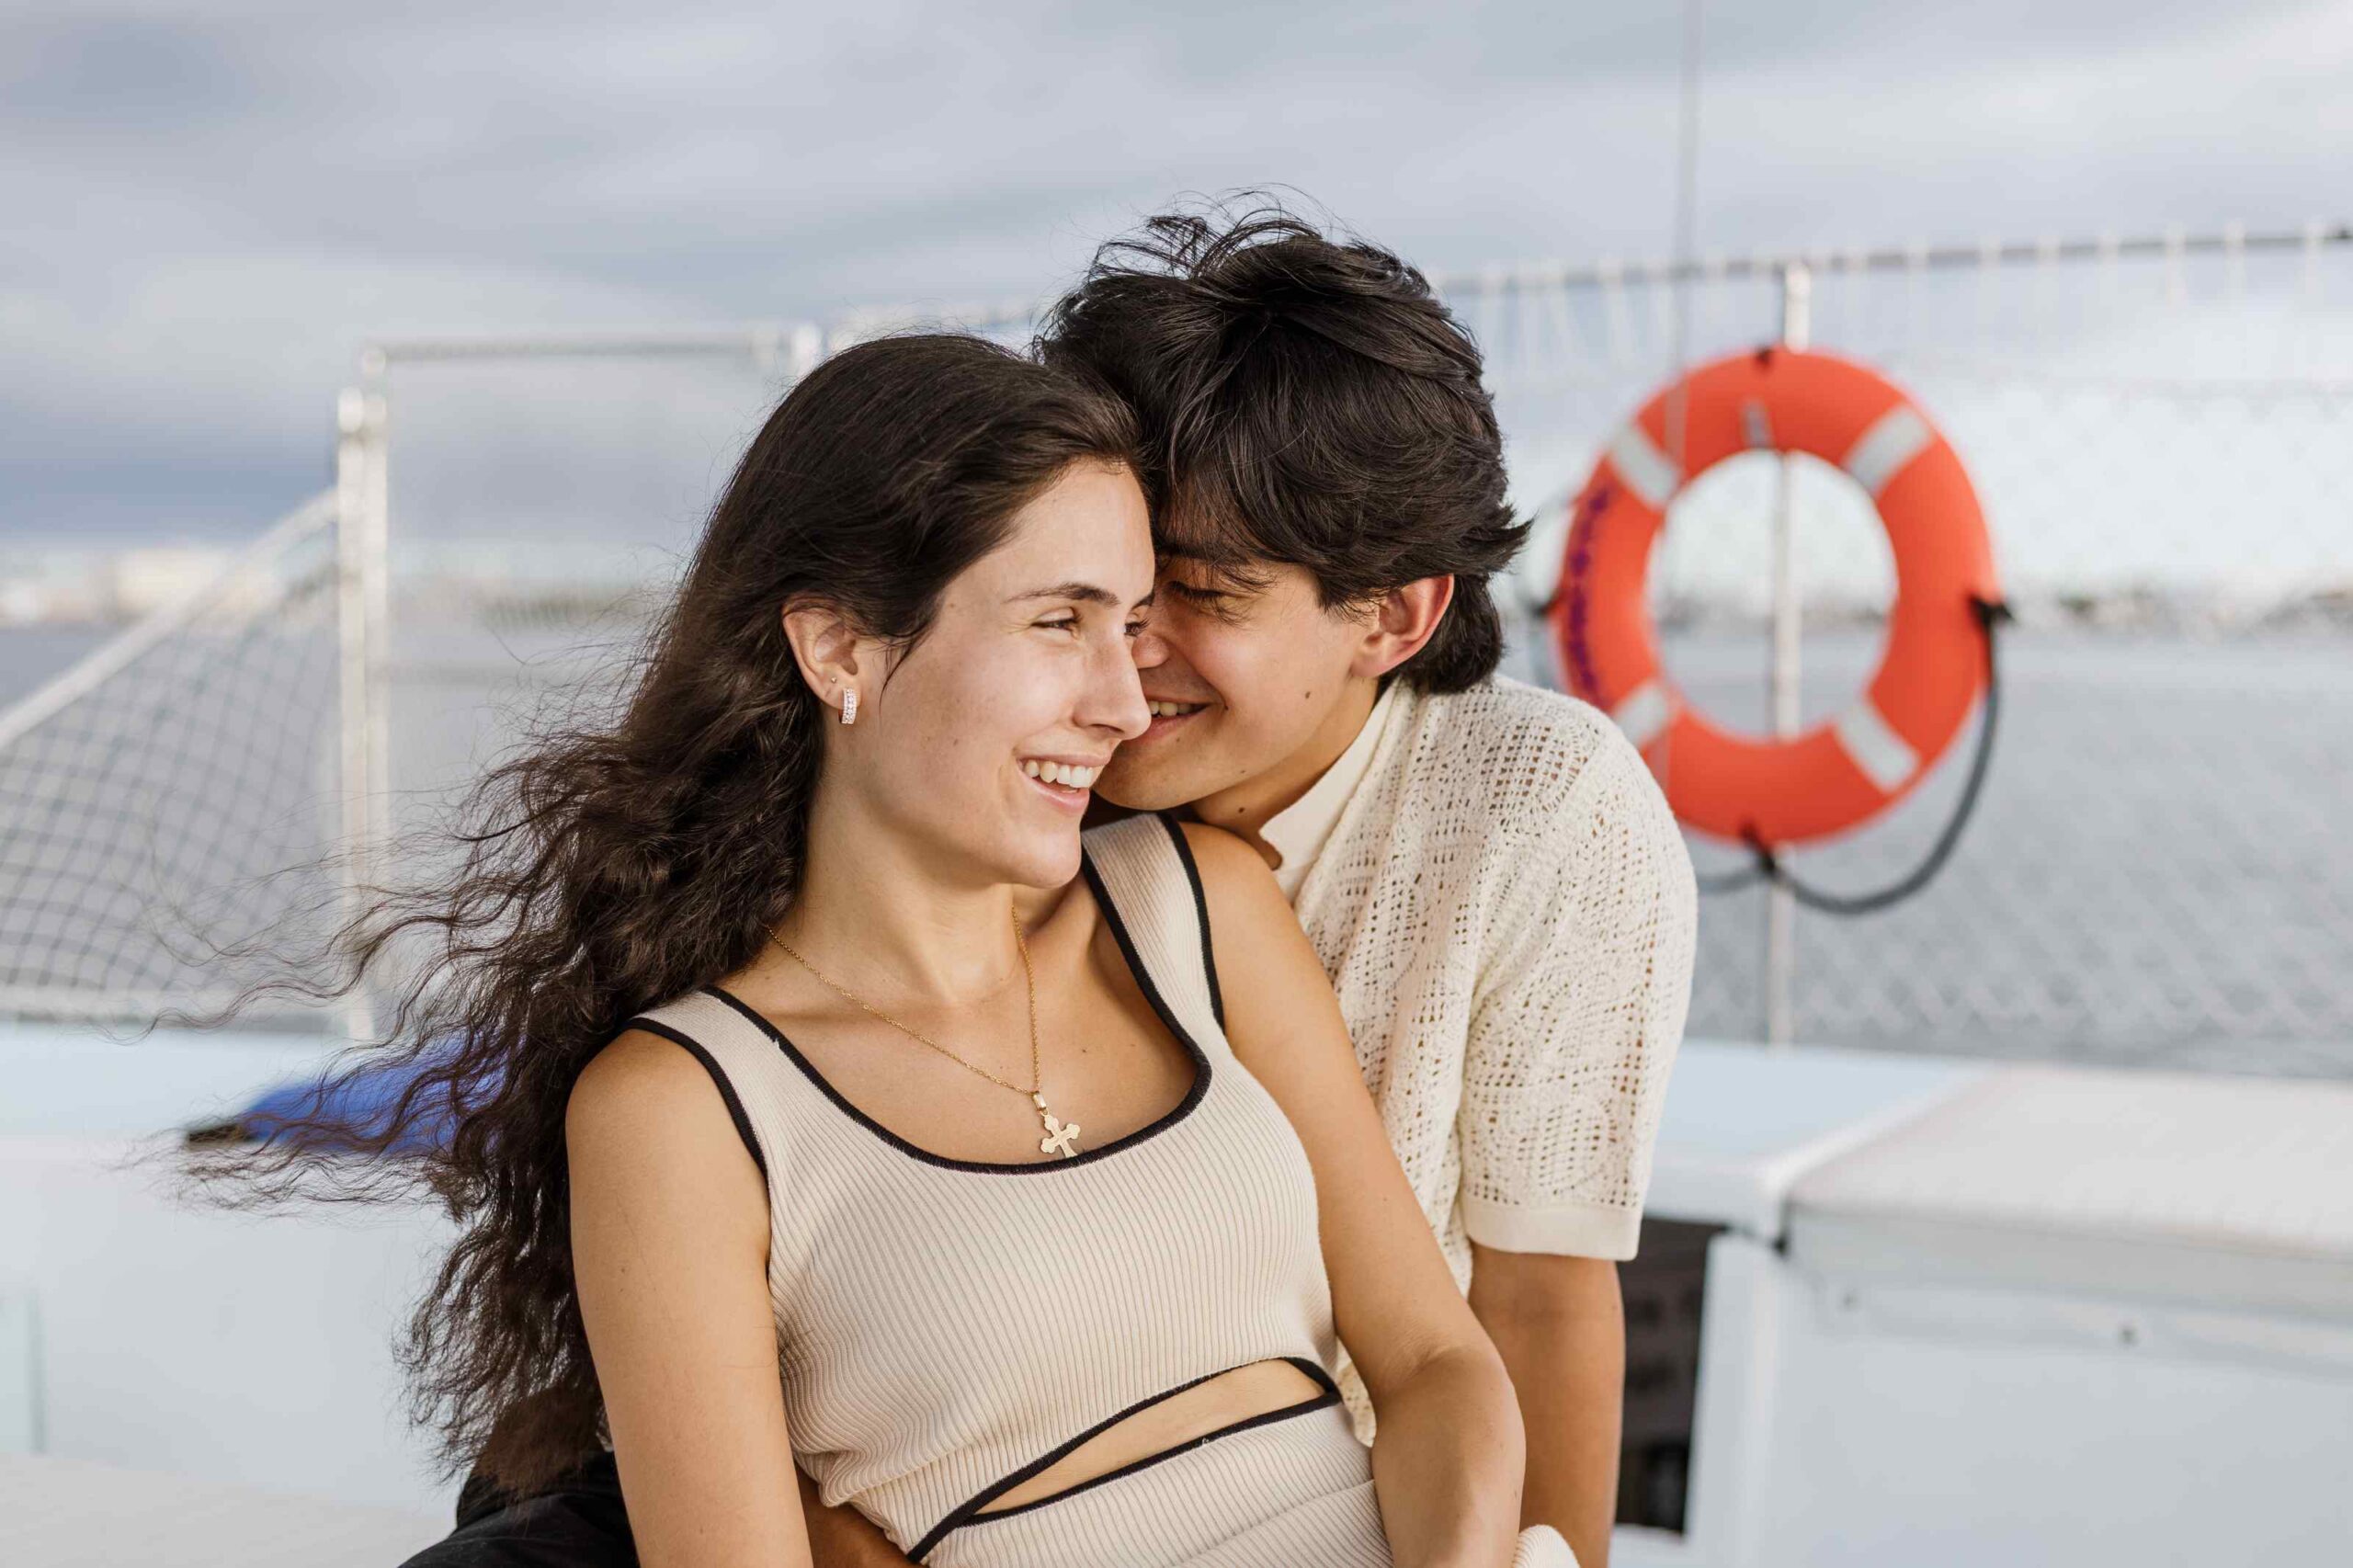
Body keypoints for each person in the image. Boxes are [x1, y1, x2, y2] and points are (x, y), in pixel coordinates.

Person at [348, 332, 1573, 1566]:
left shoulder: (1198, 906)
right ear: (839, 648)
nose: (1126, 702)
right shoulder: (683, 1107)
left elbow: (1433, 1364)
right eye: (1059, 622)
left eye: (1134, 624)